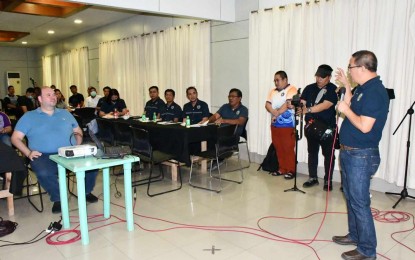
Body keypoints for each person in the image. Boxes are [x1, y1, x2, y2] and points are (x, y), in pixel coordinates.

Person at [332, 50, 389, 260]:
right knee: (351, 198)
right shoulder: (364, 89)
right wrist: (347, 88)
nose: (349, 71)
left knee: (359, 202)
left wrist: (345, 110)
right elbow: (353, 107)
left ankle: (367, 250)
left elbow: (365, 126)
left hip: (361, 156)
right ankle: (355, 235)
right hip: (350, 153)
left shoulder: (375, 92)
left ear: (362, 68)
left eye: (351, 67)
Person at [11, 87, 99, 214]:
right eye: (48, 95)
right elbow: (15, 138)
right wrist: (28, 153)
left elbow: (78, 131)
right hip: (43, 155)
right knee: (44, 172)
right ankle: (58, 198)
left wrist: (77, 145)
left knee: (92, 165)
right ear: (40, 99)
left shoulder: (65, 113)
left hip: (69, 152)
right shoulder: (29, 117)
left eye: (54, 94)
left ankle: (85, 191)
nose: (53, 97)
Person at [300, 64, 338, 190]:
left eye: (322, 77)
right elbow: (303, 102)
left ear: (329, 77)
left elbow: (325, 105)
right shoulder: (309, 88)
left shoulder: (333, 89)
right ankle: (313, 177)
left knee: (329, 155)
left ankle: (328, 180)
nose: (319, 79)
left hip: (327, 128)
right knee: (312, 152)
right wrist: (295, 104)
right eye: (317, 76)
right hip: (311, 126)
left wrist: (308, 109)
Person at [265, 71, 297, 179]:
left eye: (278, 80)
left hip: (287, 125)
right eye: (274, 80)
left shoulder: (292, 89)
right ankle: (282, 168)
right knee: (278, 147)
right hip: (275, 125)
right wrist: (273, 112)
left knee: (288, 147)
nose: (276, 82)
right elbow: (267, 104)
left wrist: (277, 113)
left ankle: (291, 170)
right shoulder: (272, 91)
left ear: (285, 80)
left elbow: (287, 104)